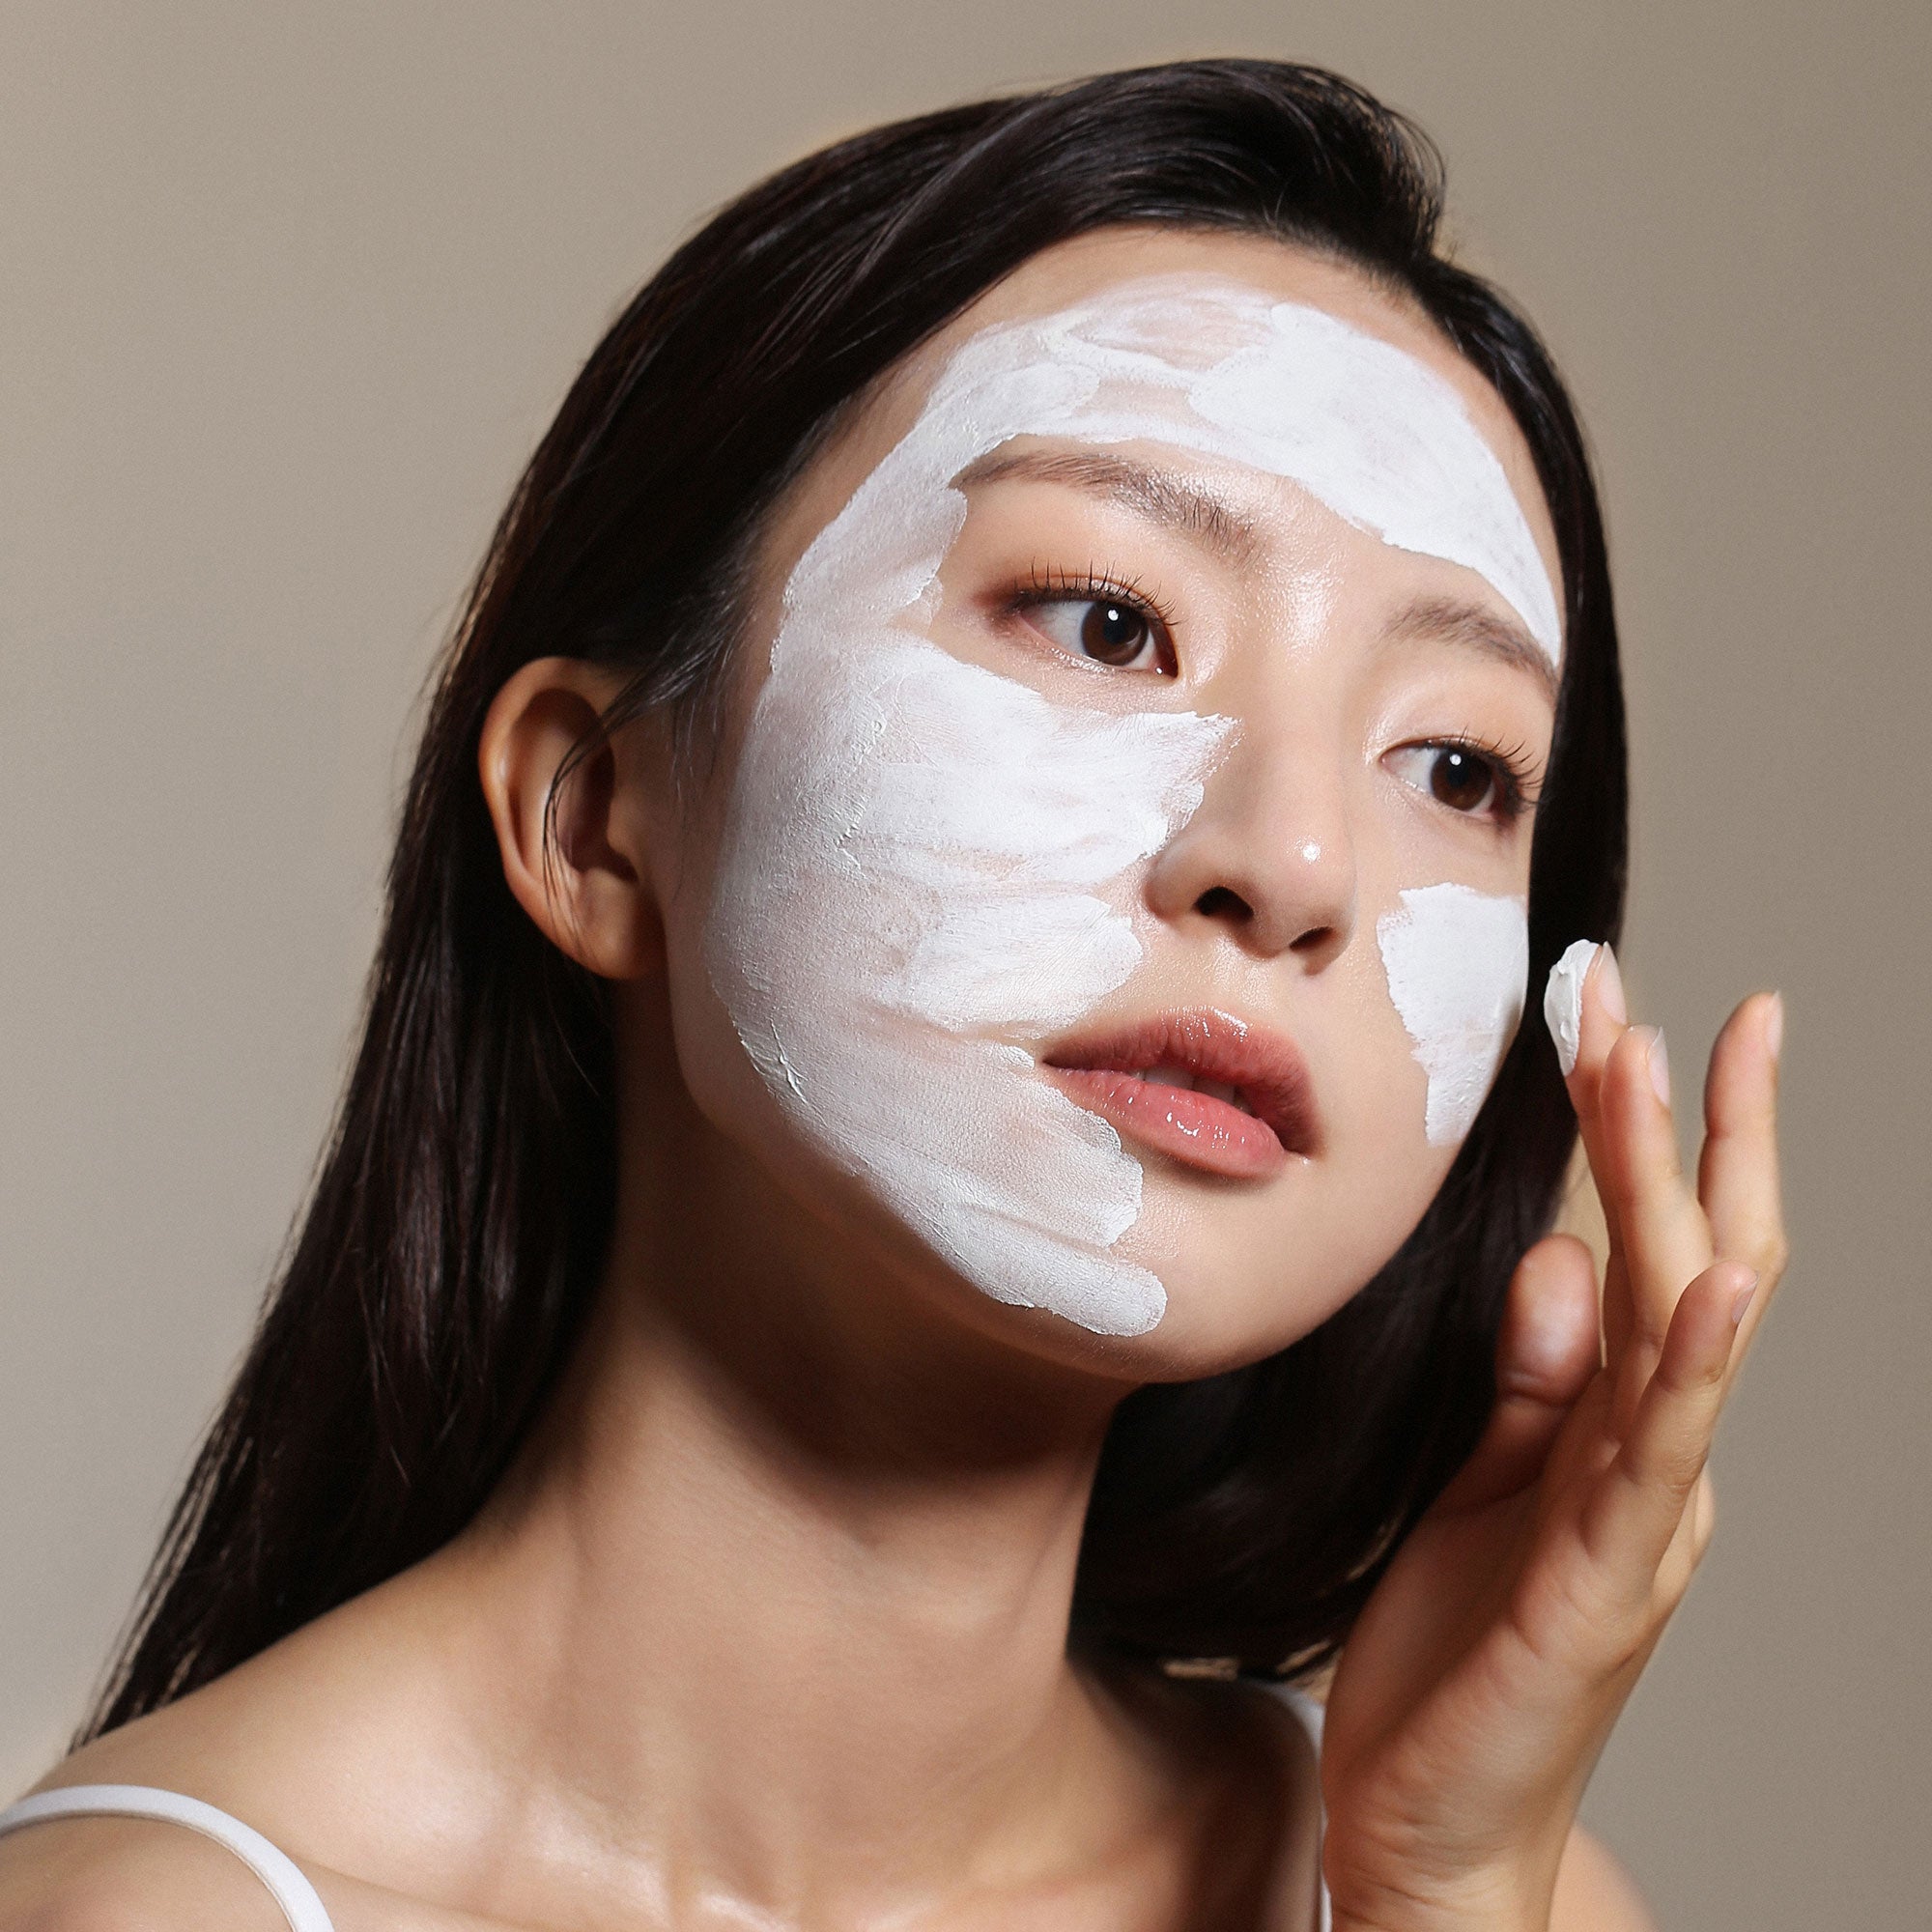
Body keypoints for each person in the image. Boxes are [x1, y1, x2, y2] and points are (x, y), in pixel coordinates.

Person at [0, 58, 1785, 1932]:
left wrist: (1447, 1882)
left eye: (1455, 768)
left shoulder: (1479, 1892)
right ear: (594, 814)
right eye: (1108, 618)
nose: (1300, 866)